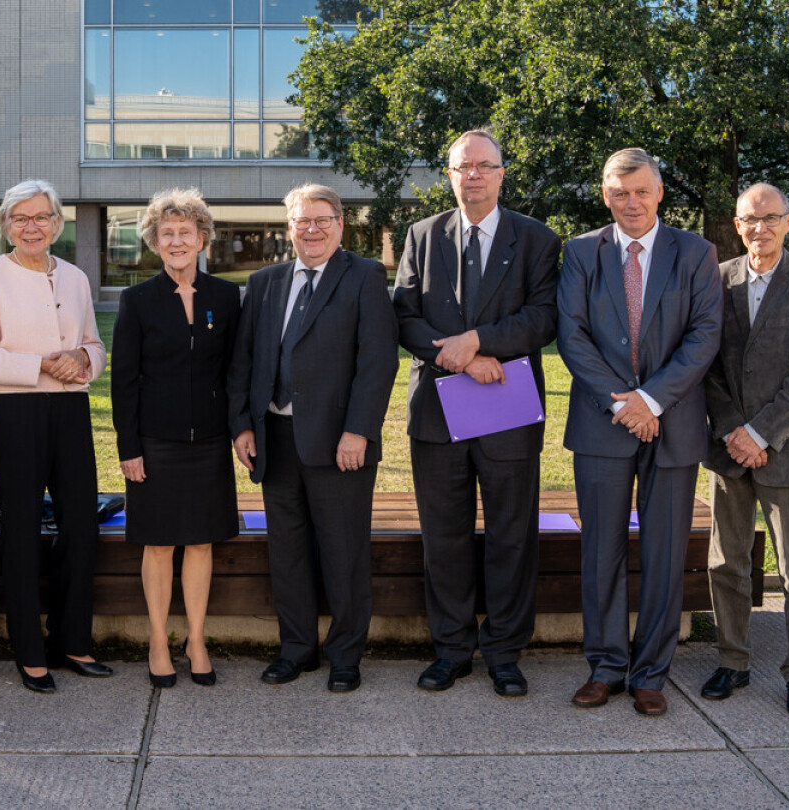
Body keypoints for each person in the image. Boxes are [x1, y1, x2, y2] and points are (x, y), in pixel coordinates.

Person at [392, 129, 560, 697]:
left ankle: (506, 653)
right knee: (445, 536)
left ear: (501, 173)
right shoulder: (421, 234)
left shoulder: (536, 238)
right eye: (464, 167)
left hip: (507, 408)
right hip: (439, 411)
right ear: (450, 174)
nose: (474, 176)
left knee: (513, 535)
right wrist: (461, 359)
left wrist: (480, 342)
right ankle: (452, 650)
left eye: (485, 166)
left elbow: (543, 318)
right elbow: (405, 316)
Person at [556, 148, 722, 717]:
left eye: (642, 192)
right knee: (600, 549)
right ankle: (605, 667)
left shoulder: (696, 252)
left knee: (664, 550)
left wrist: (651, 400)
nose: (631, 202)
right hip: (601, 425)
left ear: (658, 193)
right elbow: (572, 336)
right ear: (606, 194)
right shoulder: (580, 253)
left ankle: (651, 672)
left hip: (672, 424)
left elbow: (704, 335)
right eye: (620, 193)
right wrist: (623, 404)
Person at [228, 183, 399, 693]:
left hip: (339, 442)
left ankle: (345, 655)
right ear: (290, 227)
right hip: (274, 439)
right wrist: (241, 423)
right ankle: (296, 649)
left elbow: (377, 362)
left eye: (323, 219)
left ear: (340, 224)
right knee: (288, 550)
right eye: (303, 220)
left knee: (344, 551)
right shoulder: (264, 283)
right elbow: (243, 361)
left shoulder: (365, 275)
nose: (313, 229)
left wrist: (359, 431)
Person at [0, 179, 111, 694]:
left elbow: (94, 344)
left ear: (56, 224)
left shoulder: (73, 277)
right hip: (14, 414)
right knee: (22, 532)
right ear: (6, 226)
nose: (31, 226)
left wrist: (84, 359)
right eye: (20, 218)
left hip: (70, 411)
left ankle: (72, 640)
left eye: (40, 217)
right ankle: (29, 651)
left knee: (80, 527)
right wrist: (41, 364)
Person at [700, 183, 789, 719]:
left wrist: (760, 435)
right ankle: (732, 661)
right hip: (727, 450)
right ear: (737, 225)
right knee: (725, 563)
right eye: (749, 219)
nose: (759, 228)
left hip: (788, 450)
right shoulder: (716, 282)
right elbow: (706, 365)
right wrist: (735, 431)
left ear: (788, 221)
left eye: (770, 218)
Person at [111, 188, 242, 688]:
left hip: (209, 441)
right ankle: (159, 641)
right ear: (154, 242)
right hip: (156, 442)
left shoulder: (226, 297)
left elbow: (235, 371)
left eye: (186, 232)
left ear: (202, 238)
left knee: (202, 543)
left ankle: (198, 640)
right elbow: (123, 380)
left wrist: (238, 430)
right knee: (160, 545)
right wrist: (129, 448)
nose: (177, 241)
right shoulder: (137, 300)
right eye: (167, 234)